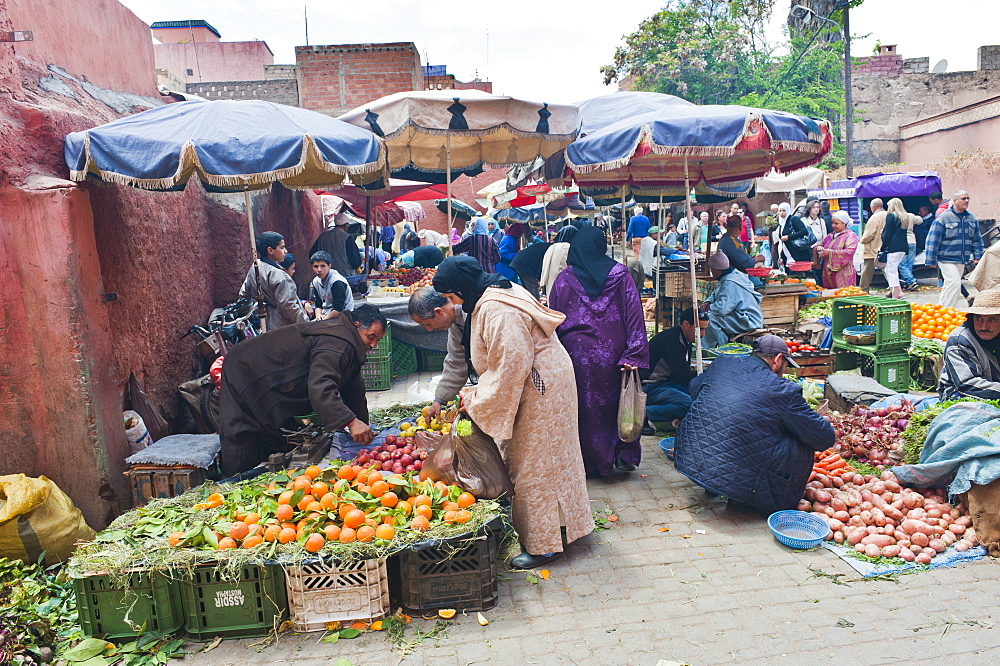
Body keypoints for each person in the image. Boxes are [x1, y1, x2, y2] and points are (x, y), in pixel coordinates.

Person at [432, 256, 594, 569]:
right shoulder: (497, 290)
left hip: (539, 387)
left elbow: (511, 365)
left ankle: (545, 546)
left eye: (452, 297)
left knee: (535, 464)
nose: (454, 304)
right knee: (554, 458)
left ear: (461, 289)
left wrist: (475, 398)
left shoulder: (496, 307)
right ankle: (565, 527)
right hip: (547, 381)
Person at [673, 334, 835, 515]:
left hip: (690, 461)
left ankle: (716, 483)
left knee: (732, 422)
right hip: (739, 479)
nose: (784, 370)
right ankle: (769, 499)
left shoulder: (722, 364)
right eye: (786, 365)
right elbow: (824, 438)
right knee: (802, 439)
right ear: (778, 359)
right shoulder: (782, 390)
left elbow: (694, 389)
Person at [218, 304, 387, 476]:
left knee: (274, 433)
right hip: (244, 368)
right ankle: (231, 482)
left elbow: (354, 389)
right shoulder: (337, 343)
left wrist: (363, 424)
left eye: (377, 340)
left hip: (273, 377)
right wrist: (351, 422)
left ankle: (264, 471)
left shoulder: (349, 341)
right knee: (241, 433)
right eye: (371, 337)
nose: (373, 345)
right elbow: (321, 386)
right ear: (357, 325)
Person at [548, 226, 650, 477]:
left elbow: (553, 317)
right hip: (613, 353)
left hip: (576, 354)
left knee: (585, 408)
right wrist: (634, 353)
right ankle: (621, 455)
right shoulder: (621, 274)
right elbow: (634, 314)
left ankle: (591, 463)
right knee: (618, 404)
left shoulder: (564, 279)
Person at [408, 287, 469, 419]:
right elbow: (456, 362)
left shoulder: (471, 315)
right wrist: (439, 400)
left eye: (427, 324)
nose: (429, 329)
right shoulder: (456, 325)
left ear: (438, 312)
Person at [642, 307, 708, 428]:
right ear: (686, 324)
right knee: (688, 404)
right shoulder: (672, 340)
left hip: (668, 383)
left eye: (704, 329)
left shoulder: (685, 340)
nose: (702, 334)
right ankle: (643, 412)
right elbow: (683, 377)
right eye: (700, 329)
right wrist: (706, 372)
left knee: (701, 396)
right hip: (650, 387)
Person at [926, 190, 984, 309]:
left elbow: (977, 238)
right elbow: (933, 239)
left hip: (961, 258)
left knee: (949, 285)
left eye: (968, 198)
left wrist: (978, 255)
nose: (966, 201)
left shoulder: (970, 218)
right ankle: (949, 311)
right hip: (945, 257)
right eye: (963, 199)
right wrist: (930, 259)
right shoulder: (944, 217)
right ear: (955, 201)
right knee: (954, 283)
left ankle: (940, 309)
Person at [239, 232, 309, 330]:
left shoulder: (256, 266)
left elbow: (244, 294)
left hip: (264, 321)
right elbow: (288, 307)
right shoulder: (279, 276)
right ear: (270, 250)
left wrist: (245, 313)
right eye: (282, 248)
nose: (285, 251)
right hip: (282, 326)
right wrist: (305, 323)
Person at [939, 290, 1000, 401]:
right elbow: (966, 384)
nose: (983, 327)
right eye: (978, 319)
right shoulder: (959, 340)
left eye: (991, 320)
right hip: (960, 393)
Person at [702, 251, 763, 349]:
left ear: (717, 270)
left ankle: (719, 348)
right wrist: (708, 302)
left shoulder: (731, 282)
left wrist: (709, 308)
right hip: (738, 316)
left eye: (712, 270)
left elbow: (722, 309)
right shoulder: (727, 277)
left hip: (748, 320)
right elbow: (715, 293)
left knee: (710, 318)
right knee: (710, 315)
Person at [816, 211, 859, 289]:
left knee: (843, 294)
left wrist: (830, 252)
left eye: (836, 223)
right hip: (828, 271)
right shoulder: (830, 235)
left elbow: (849, 252)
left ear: (844, 223)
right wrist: (819, 248)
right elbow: (820, 244)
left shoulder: (850, 236)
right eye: (832, 223)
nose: (833, 225)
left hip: (843, 272)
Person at [307, 250, 353, 319]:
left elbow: (338, 309)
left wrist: (324, 320)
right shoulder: (316, 281)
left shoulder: (337, 282)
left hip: (343, 315)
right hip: (326, 313)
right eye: (316, 266)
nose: (319, 270)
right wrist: (318, 315)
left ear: (329, 266)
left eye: (323, 266)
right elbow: (318, 304)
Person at [881, 198, 912, 299]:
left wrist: (883, 245)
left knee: (891, 271)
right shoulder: (905, 217)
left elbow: (888, 234)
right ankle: (899, 292)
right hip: (903, 247)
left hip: (893, 247)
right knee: (892, 269)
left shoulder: (891, 216)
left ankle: (895, 294)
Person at [539, 225, 577, 297]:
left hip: (550, 281)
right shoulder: (567, 247)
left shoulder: (552, 246)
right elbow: (566, 267)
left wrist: (543, 283)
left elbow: (545, 266)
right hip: (562, 283)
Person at [858, 198, 887, 291]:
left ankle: (863, 290)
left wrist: (862, 240)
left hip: (873, 248)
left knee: (867, 271)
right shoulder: (889, 214)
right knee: (888, 271)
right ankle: (895, 288)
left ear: (873, 207)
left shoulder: (874, 217)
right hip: (885, 248)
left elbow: (869, 234)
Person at [774, 202, 811, 270]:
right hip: (787, 255)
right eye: (780, 211)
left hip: (797, 254)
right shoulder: (781, 223)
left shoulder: (793, 219)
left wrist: (789, 237)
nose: (782, 213)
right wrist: (782, 257)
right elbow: (782, 243)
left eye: (784, 210)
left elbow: (804, 231)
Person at [898, 211, 925, 291]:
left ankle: (911, 281)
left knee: (901, 264)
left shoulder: (895, 216)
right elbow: (920, 220)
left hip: (902, 242)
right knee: (909, 264)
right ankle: (906, 283)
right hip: (912, 241)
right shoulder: (910, 215)